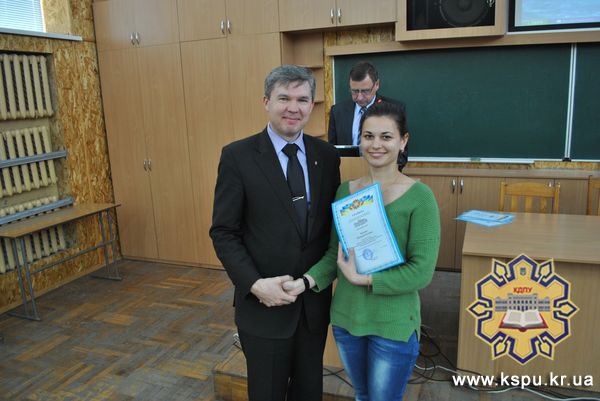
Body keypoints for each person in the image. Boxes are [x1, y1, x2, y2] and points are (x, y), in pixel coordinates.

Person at [284, 102, 440, 401]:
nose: (375, 144)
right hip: (347, 319)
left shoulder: (420, 198)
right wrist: (304, 282)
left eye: (386, 136)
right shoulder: (345, 192)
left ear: (403, 141)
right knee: (361, 396)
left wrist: (365, 279)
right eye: (368, 136)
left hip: (392, 325)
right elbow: (334, 254)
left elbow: (421, 271)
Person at [209, 65, 341, 401]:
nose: (293, 108)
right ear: (266, 102)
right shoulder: (237, 157)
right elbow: (224, 232)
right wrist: (254, 284)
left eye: (302, 99)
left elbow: (328, 229)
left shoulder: (327, 156)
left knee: (308, 393)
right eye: (284, 98)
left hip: (312, 308)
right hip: (263, 307)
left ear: (311, 105)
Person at [328, 61, 408, 170]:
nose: (359, 97)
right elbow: (332, 151)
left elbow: (402, 154)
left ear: (377, 85)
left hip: (383, 174)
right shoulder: (337, 111)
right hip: (348, 173)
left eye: (365, 91)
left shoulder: (395, 109)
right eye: (354, 91)